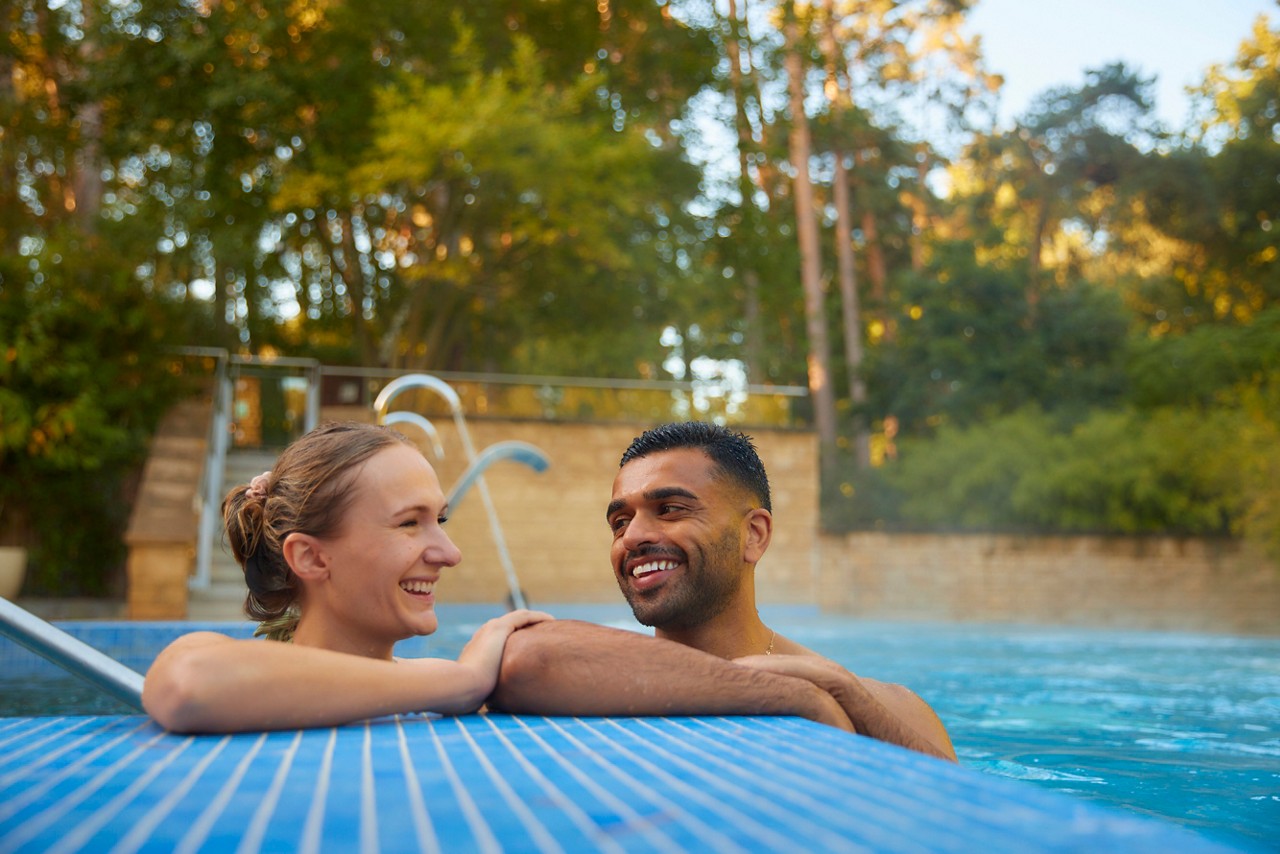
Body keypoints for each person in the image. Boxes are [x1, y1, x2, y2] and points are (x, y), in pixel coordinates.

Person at [490, 422, 956, 761]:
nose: (631, 537)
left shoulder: (877, 704)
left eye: (669, 509)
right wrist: (787, 696)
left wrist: (841, 696)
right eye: (619, 521)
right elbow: (524, 657)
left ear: (754, 535)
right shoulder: (593, 680)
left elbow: (967, 819)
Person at [142, 421, 552, 733]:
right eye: (409, 522)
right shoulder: (443, 684)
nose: (451, 553)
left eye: (440, 519)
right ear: (311, 557)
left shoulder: (432, 683)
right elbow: (187, 684)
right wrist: (462, 680)